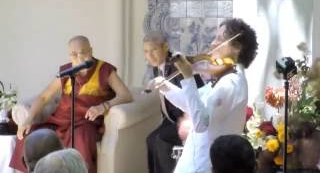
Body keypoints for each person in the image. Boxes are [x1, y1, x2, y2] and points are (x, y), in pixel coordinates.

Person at [10, 35, 133, 173]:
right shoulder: (67, 71)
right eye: (73, 54)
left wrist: (103, 106)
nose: (79, 58)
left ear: (91, 51)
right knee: (31, 135)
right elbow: (44, 97)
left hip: (86, 123)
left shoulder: (104, 69)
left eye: (82, 53)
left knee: (80, 138)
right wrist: (28, 119)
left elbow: (126, 95)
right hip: (60, 122)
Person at [158, 18, 258, 173]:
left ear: (237, 47)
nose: (212, 44)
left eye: (219, 39)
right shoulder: (224, 79)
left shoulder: (231, 83)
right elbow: (192, 104)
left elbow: (200, 123)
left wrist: (189, 77)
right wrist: (165, 87)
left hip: (205, 165)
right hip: (196, 161)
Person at [143, 31, 204, 173]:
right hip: (170, 120)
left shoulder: (178, 64)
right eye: (146, 51)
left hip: (187, 119)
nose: (150, 55)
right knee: (150, 140)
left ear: (165, 47)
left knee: (161, 140)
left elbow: (194, 94)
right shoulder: (156, 67)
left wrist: (187, 119)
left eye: (154, 50)